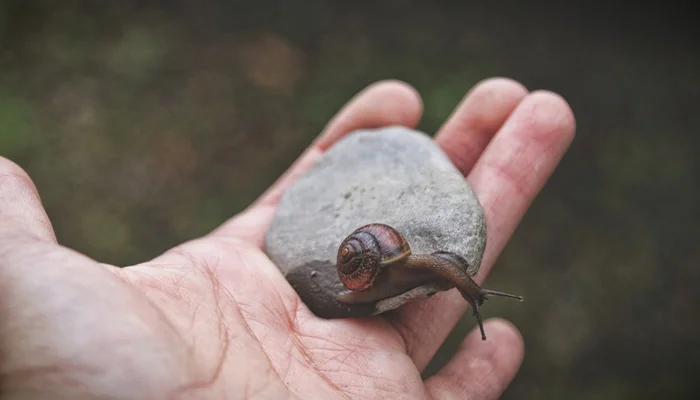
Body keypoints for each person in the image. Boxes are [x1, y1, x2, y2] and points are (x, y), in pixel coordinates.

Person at [0, 78, 575, 399]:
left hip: (377, 263)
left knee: (442, 269)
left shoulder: (399, 259)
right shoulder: (377, 267)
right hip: (372, 264)